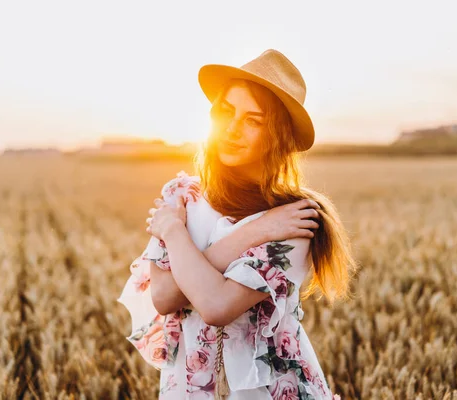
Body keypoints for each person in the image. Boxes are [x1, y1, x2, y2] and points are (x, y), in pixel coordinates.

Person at [118, 49, 358, 399]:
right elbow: (166, 297)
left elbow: (215, 306)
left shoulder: (295, 218)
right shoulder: (182, 197)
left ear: (278, 136)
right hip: (190, 389)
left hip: (268, 390)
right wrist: (252, 233)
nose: (232, 129)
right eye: (227, 113)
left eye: (253, 120)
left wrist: (174, 232)